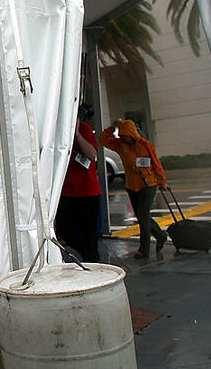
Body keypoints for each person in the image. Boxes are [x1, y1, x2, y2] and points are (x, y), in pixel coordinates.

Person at [98, 118, 167, 259]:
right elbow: (102, 140)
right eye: (122, 135)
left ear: (132, 134)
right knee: (142, 215)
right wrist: (112, 128)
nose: (124, 138)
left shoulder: (145, 145)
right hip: (132, 185)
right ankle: (160, 235)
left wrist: (162, 181)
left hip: (148, 184)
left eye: (126, 136)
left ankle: (144, 249)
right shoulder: (119, 145)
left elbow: (156, 163)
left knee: (142, 214)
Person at [55, 104, 102, 262]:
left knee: (89, 235)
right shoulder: (59, 132)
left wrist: (77, 134)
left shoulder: (85, 130)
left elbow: (92, 154)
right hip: (67, 192)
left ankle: (91, 259)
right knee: (63, 230)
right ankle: (86, 254)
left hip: (87, 192)